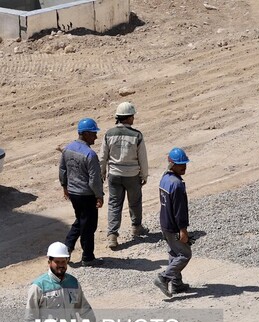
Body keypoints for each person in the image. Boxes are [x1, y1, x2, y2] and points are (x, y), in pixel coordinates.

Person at [99, 101, 149, 250]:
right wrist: (144, 175)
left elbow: (103, 156)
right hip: (132, 175)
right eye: (132, 116)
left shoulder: (109, 134)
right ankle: (136, 227)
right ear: (127, 118)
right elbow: (143, 158)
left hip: (114, 175)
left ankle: (112, 235)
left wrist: (102, 172)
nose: (133, 119)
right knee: (135, 202)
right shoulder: (137, 135)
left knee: (114, 204)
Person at [59, 118, 104, 267]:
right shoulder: (90, 155)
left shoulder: (68, 149)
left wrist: (65, 186)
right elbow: (94, 179)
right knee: (89, 226)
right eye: (93, 134)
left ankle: (66, 249)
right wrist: (99, 195)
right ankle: (88, 257)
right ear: (84, 134)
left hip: (73, 193)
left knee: (81, 221)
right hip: (86, 195)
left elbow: (63, 170)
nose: (95, 137)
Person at [154, 147, 192, 297]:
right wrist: (183, 230)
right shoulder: (177, 185)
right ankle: (163, 278)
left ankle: (177, 284)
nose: (183, 167)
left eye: (184, 163)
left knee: (174, 252)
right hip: (174, 226)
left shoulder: (165, 178)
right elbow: (179, 210)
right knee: (184, 254)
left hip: (165, 222)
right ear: (171, 164)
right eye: (180, 164)